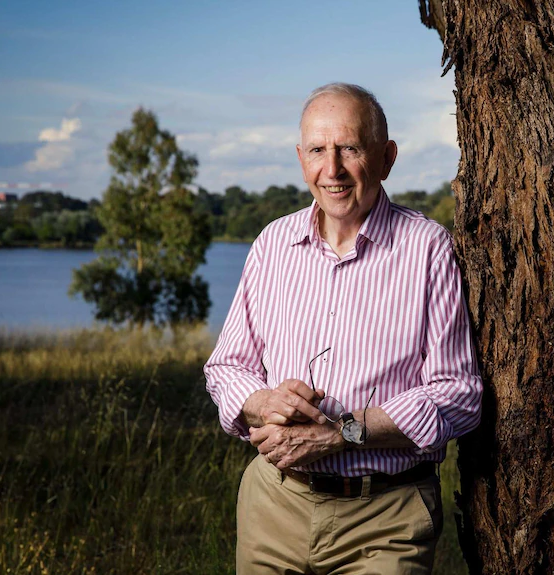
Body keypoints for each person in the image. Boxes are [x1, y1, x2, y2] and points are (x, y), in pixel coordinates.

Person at [204, 82, 482, 575]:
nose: (330, 170)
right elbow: (227, 366)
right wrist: (262, 402)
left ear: (386, 157)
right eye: (317, 150)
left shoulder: (428, 249)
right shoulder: (273, 244)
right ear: (300, 156)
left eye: (349, 148)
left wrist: (339, 433)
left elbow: (459, 395)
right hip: (274, 505)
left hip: (385, 519)